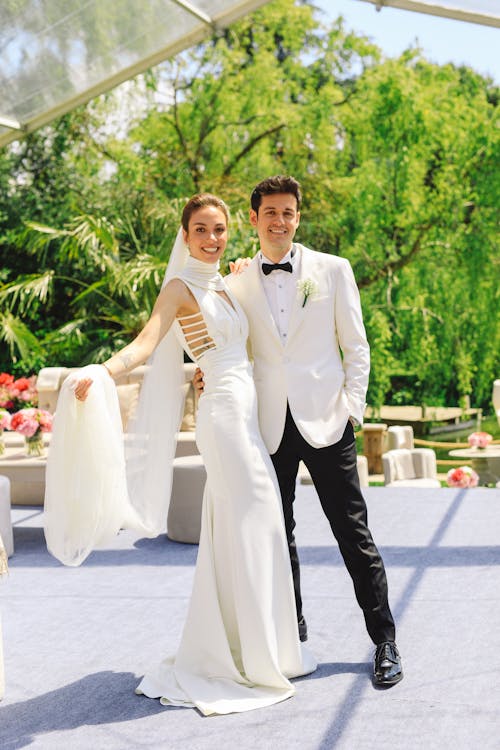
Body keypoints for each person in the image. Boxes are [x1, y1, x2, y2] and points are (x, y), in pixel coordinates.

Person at [44, 193, 316, 716]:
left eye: (219, 229)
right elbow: (146, 344)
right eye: (201, 230)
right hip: (223, 419)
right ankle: (245, 658)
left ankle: (261, 650)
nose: (212, 239)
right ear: (185, 235)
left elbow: (246, 346)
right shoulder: (179, 287)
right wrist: (102, 372)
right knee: (253, 517)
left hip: (248, 416)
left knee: (256, 524)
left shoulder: (232, 284)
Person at [195, 176, 403, 687]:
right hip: (265, 424)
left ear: (298, 218)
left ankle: (385, 641)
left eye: (289, 213)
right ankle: (293, 632)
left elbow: (356, 345)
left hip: (328, 420)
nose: (280, 221)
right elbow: (224, 340)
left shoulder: (334, 270)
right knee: (276, 533)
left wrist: (352, 408)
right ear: (253, 218)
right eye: (271, 212)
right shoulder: (237, 279)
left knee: (354, 535)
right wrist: (205, 368)